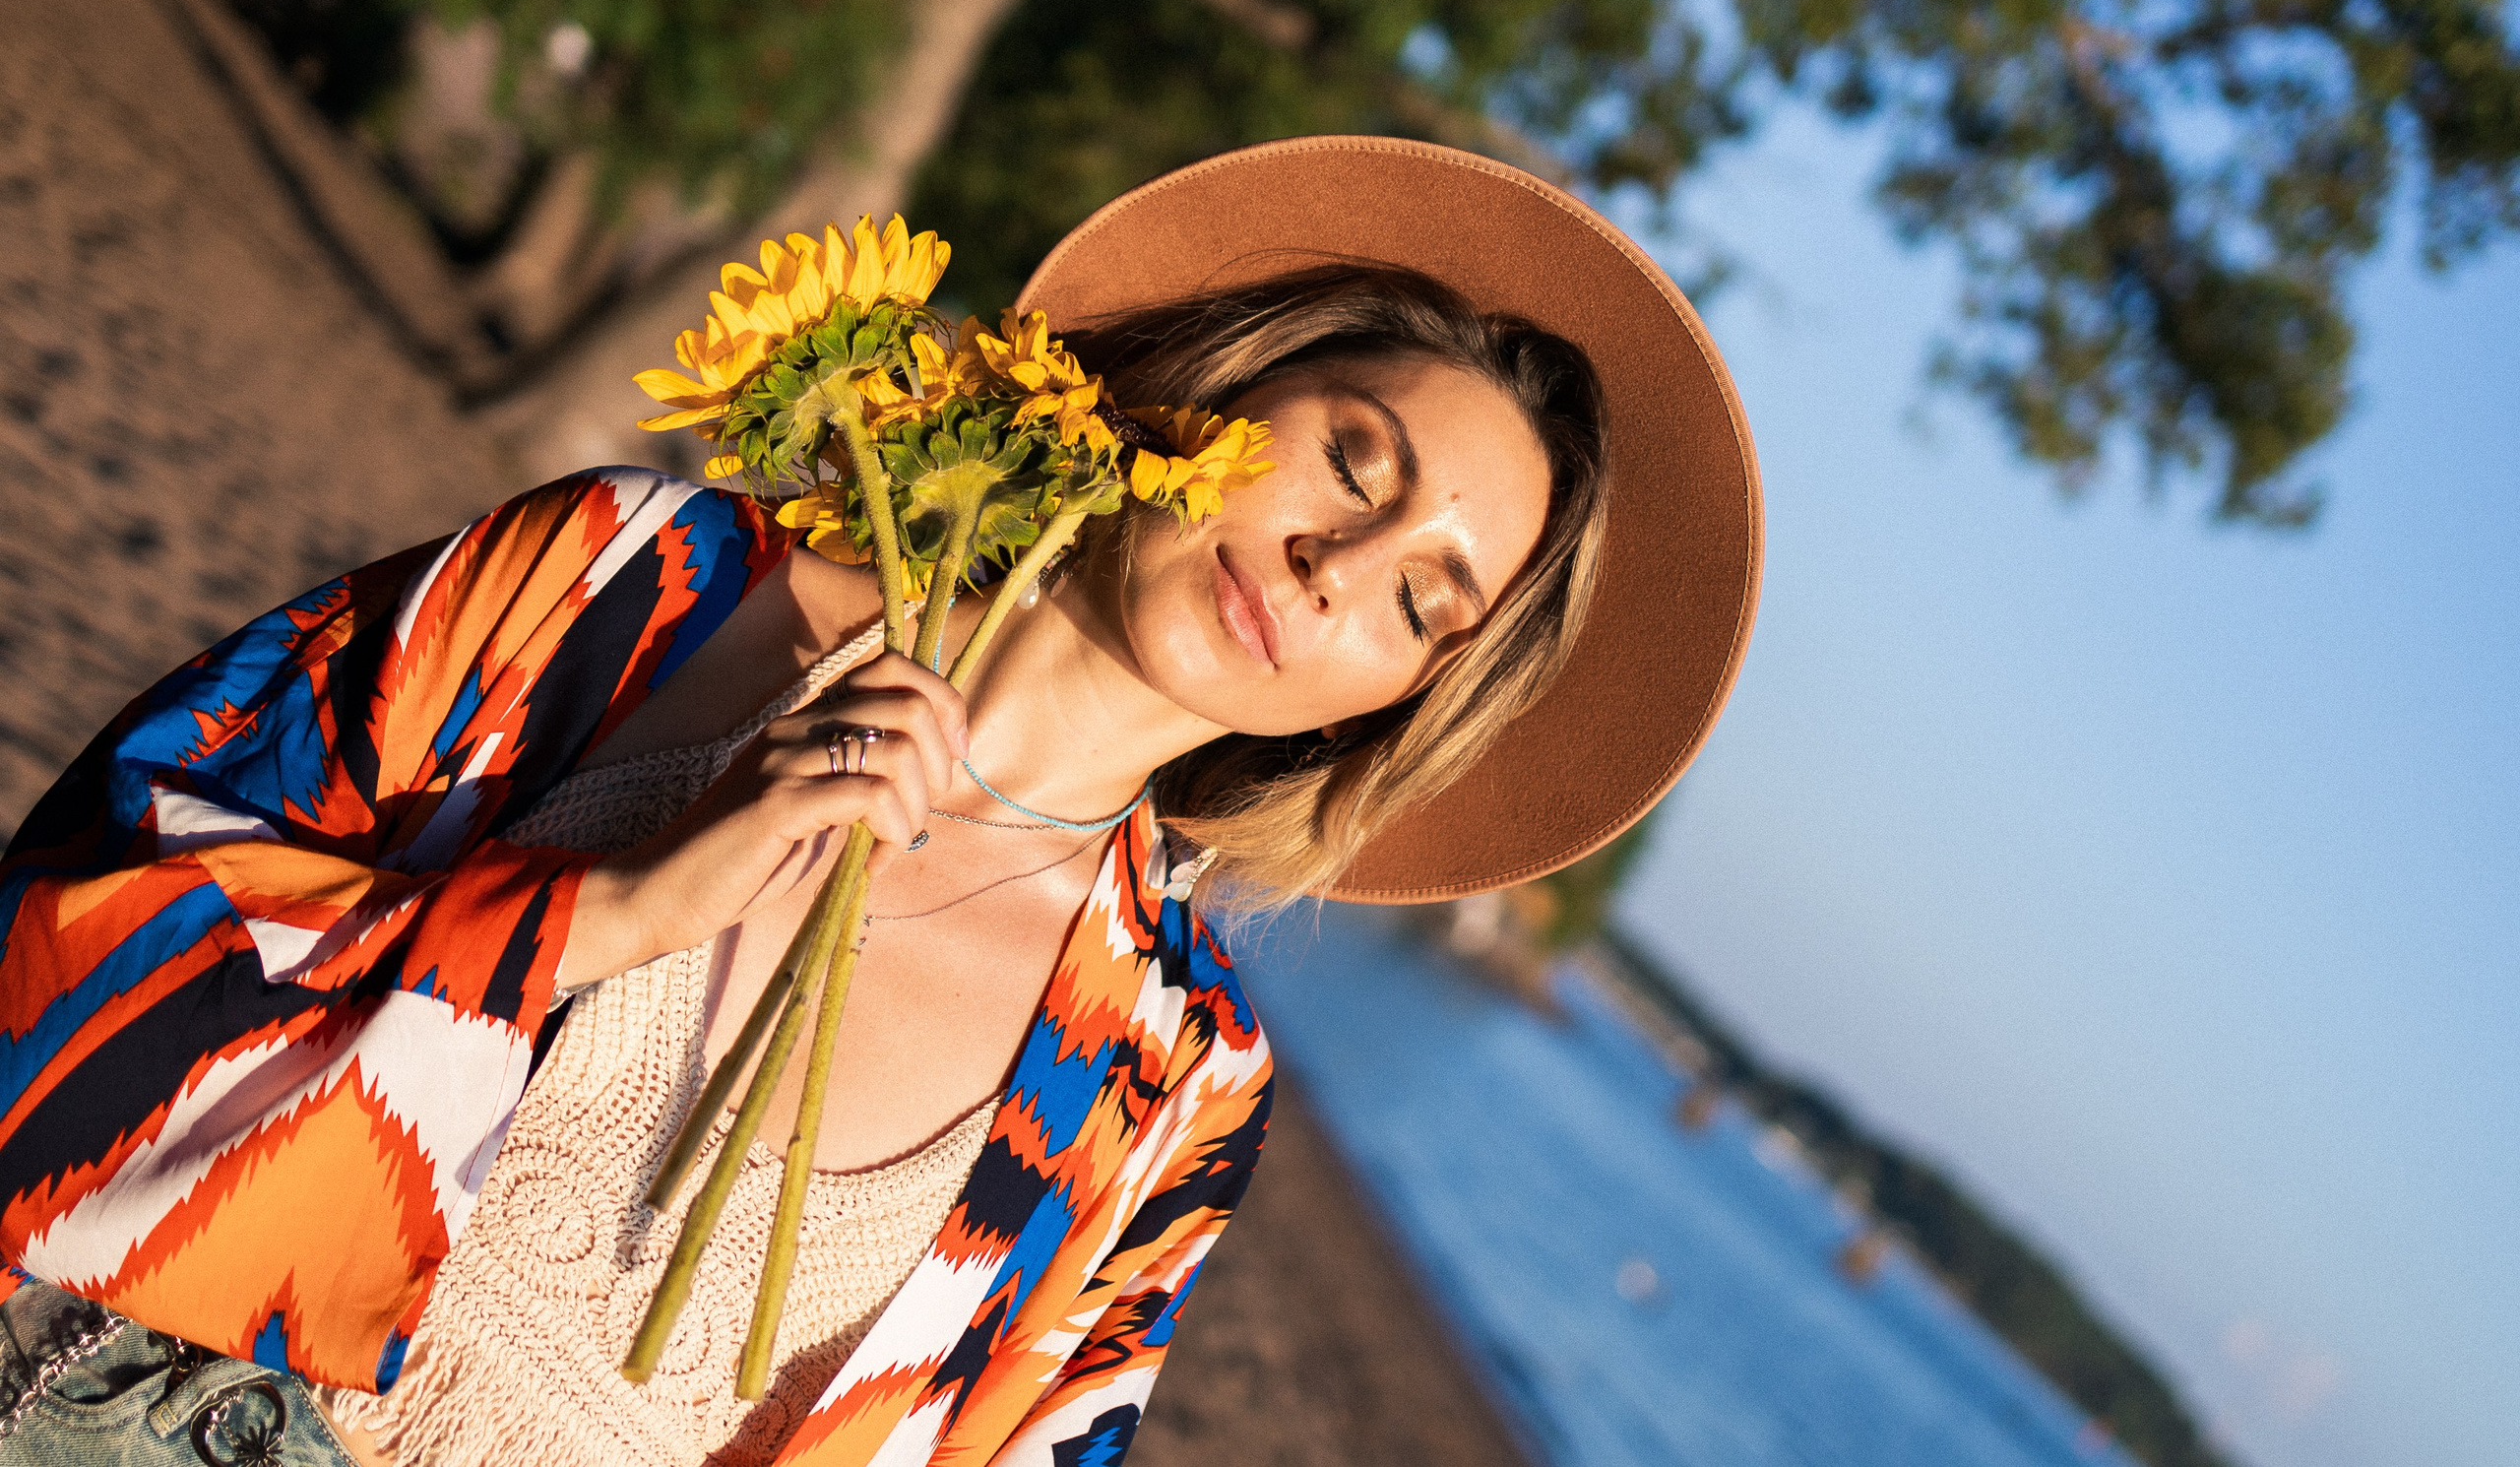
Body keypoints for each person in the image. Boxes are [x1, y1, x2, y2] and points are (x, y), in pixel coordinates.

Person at [0, 137, 1760, 1466]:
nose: (1336, 566)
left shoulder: (1168, 1086)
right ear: (1226, 384)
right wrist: (602, 917)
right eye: (1354, 459)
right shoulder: (632, 587)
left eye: (1421, 605)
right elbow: (76, 916)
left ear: (1396, 703)